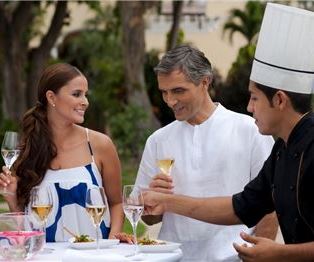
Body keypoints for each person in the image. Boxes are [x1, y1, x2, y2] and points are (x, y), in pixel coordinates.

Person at [143, 3, 314, 261]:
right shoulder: (282, 149)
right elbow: (241, 206)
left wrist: (281, 253)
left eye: (254, 98)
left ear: (279, 100)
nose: (249, 107)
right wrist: (166, 201)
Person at [134, 44, 277, 261]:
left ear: (205, 82)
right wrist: (152, 208)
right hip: (174, 257)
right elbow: (146, 219)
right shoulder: (157, 141)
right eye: (164, 92)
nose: (170, 100)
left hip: (234, 257)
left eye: (178, 90)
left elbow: (271, 205)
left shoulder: (250, 130)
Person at [0, 63, 124, 242]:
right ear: (51, 97)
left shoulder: (99, 145)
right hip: (44, 256)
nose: (85, 102)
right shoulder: (29, 149)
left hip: (93, 255)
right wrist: (12, 199)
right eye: (76, 94)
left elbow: (117, 203)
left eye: (85, 94)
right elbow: (25, 227)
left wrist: (112, 246)